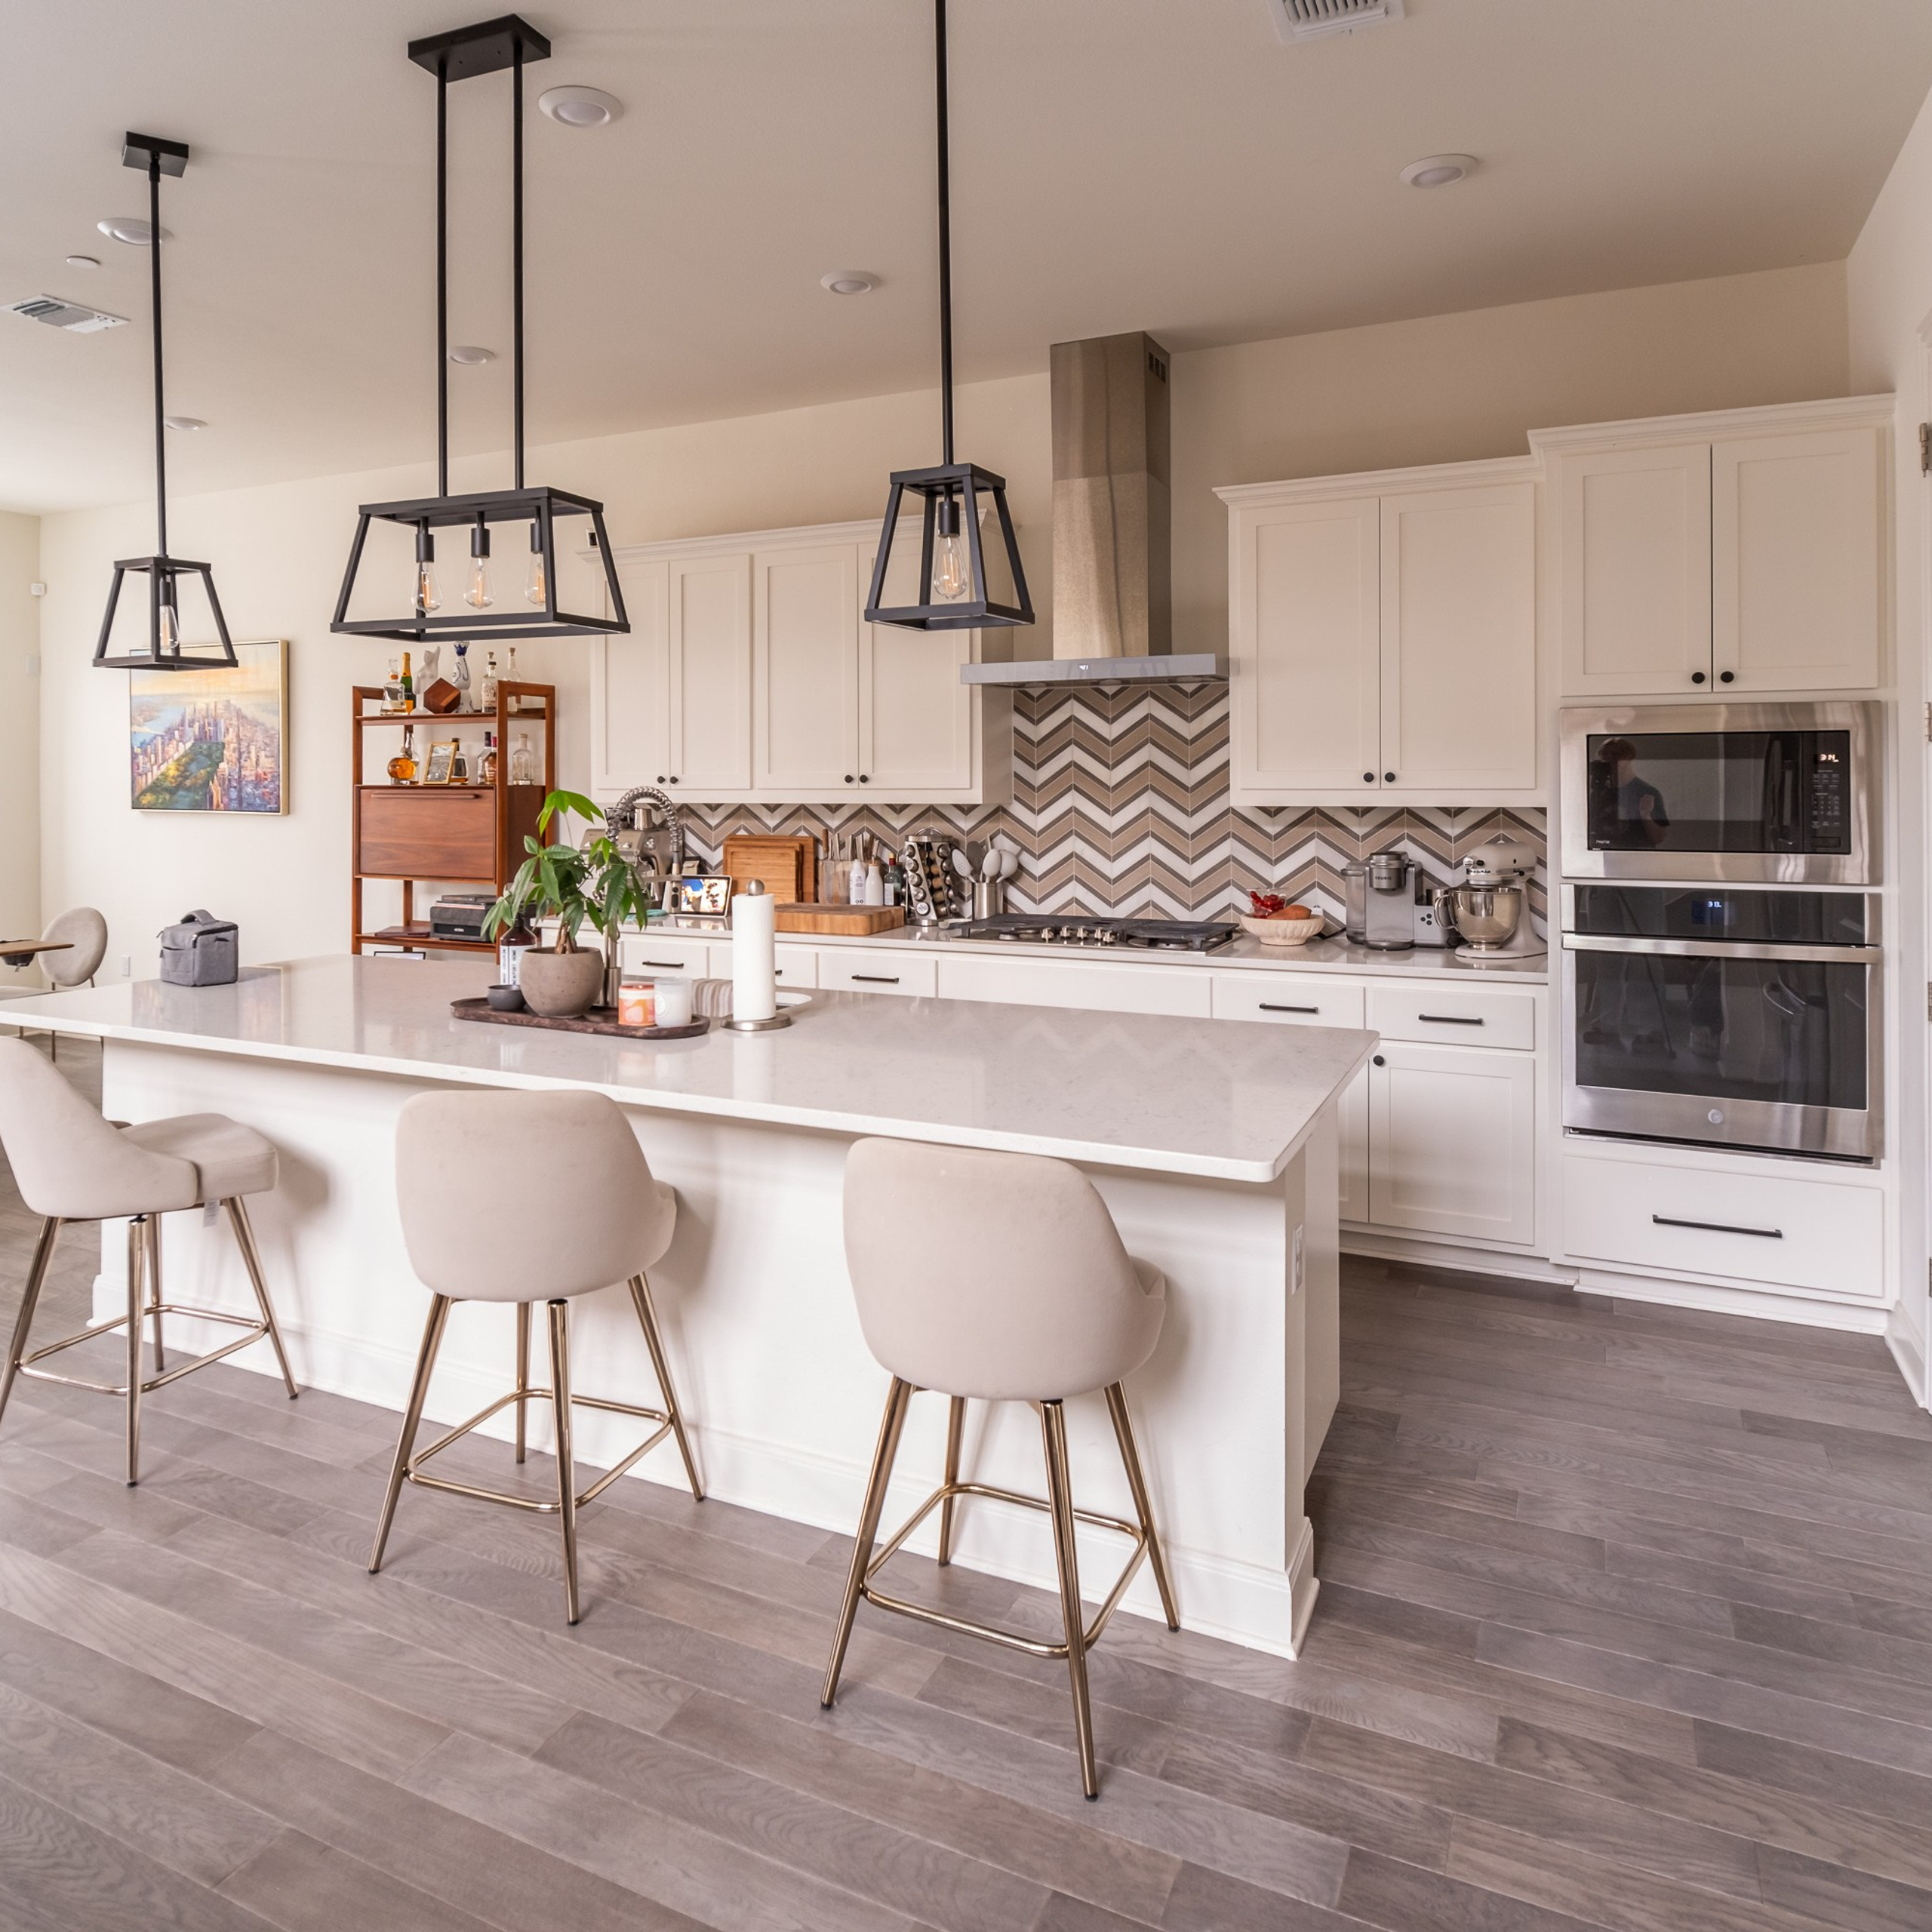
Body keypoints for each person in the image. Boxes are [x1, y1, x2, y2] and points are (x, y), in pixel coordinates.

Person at [1587, 737, 1671, 850]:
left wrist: (1646, 815)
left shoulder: (1648, 793)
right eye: (1606, 760)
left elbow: (1658, 838)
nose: (1611, 764)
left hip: (1638, 858)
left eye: (1616, 758)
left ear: (1628, 760)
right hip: (1602, 857)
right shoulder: (1597, 792)